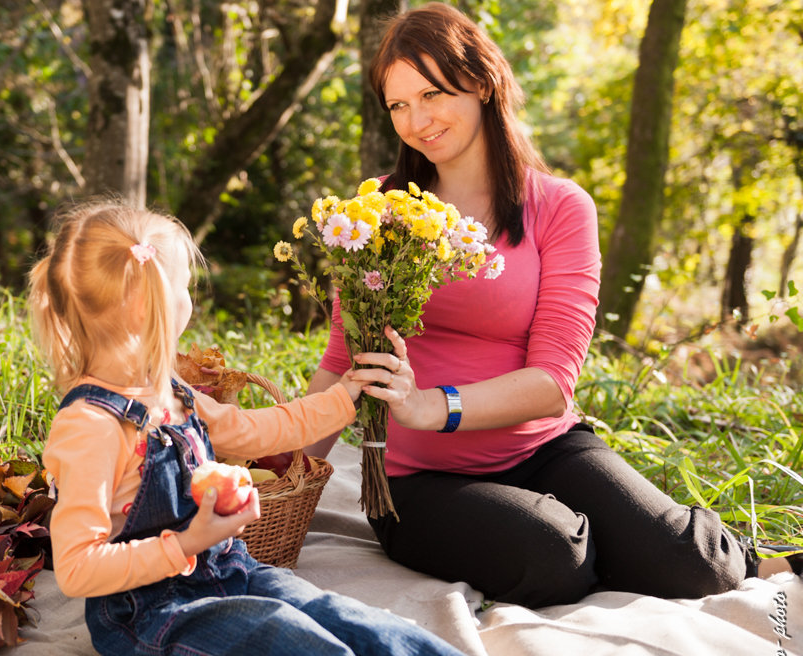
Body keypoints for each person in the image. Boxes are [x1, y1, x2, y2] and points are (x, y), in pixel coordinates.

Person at [27, 198, 607, 656]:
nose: (188, 297)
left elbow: (262, 430)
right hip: (151, 616)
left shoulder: (172, 396)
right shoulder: (91, 427)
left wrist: (348, 394)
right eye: (182, 287)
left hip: (231, 573)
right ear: (149, 304)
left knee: (347, 619)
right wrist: (188, 541)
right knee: (284, 640)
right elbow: (77, 569)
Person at [305, 2, 799, 609]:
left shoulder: (561, 208)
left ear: (482, 83)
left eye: (432, 93)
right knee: (554, 557)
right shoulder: (376, 213)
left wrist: (431, 405)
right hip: (418, 482)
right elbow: (338, 361)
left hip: (541, 448)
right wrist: (280, 483)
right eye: (399, 104)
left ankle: (757, 557)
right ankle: (581, 539)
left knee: (697, 567)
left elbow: (553, 383)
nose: (417, 120)